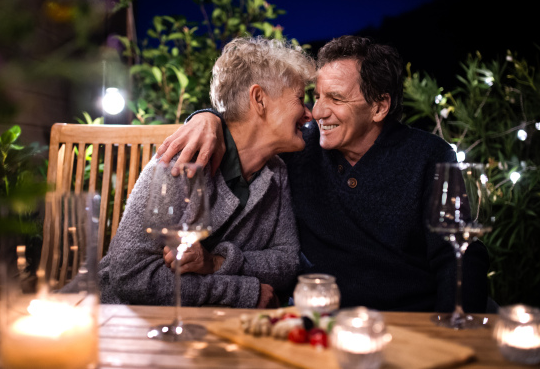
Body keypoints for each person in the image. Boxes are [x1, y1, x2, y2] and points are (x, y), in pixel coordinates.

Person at [157, 35, 490, 313]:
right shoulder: (301, 148)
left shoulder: (429, 156)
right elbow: (248, 127)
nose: (317, 112)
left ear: (379, 107)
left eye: (336, 98)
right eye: (316, 96)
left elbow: (459, 258)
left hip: (411, 322)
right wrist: (207, 117)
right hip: (320, 325)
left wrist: (455, 331)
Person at [98, 36, 316, 308]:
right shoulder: (185, 158)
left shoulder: (277, 172)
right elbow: (132, 277)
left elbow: (286, 262)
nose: (310, 114)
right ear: (259, 99)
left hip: (211, 327)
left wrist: (216, 262)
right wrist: (242, 292)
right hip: (122, 321)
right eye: (300, 98)